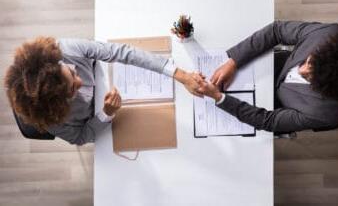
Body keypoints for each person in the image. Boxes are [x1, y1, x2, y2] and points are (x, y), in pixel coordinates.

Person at [5, 37, 204, 145]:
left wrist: (181, 75)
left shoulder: (65, 50)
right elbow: (80, 137)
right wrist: (105, 114)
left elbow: (120, 52)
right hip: (109, 122)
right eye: (73, 89)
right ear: (58, 105)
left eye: (72, 72)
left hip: (110, 76)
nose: (80, 81)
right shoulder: (51, 120)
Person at [198, 21, 338, 133]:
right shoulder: (327, 33)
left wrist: (219, 98)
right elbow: (276, 30)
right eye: (310, 61)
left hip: (270, 105)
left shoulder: (326, 113)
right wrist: (234, 61)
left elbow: (267, 121)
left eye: (310, 78)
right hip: (264, 67)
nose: (302, 71)